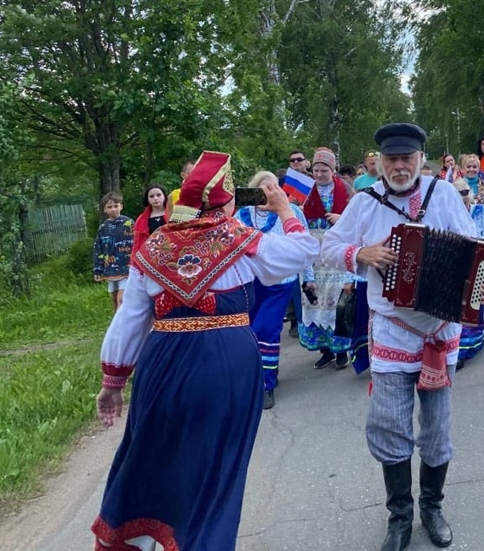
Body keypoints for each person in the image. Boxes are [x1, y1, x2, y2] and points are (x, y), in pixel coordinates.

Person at [92, 151, 319, 551]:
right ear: (226, 201)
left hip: (162, 366)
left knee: (151, 460)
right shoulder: (240, 239)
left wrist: (113, 383)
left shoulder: (153, 247)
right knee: (217, 473)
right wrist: (285, 210)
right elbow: (301, 252)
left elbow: (129, 320)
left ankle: (141, 539)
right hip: (226, 368)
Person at [320, 123, 484, 551]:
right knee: (389, 424)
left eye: (407, 158)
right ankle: (399, 516)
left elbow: (475, 249)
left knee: (436, 427)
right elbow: (327, 247)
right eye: (392, 159)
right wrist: (360, 253)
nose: (399, 166)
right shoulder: (364, 202)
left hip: (439, 332)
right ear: (380, 162)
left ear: (422, 159)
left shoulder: (444, 195)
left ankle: (432, 508)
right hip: (391, 330)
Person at [237, 170, 315, 410]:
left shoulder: (291, 213)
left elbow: (305, 247)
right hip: (250, 283)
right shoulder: (242, 214)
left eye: (274, 189)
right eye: (264, 190)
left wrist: (308, 279)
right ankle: (260, 373)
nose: (269, 194)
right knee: (250, 331)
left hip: (280, 283)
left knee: (267, 329)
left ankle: (266, 386)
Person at [300, 147, 359, 371]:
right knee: (314, 300)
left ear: (332, 169)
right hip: (313, 255)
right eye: (315, 170)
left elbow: (357, 221)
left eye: (323, 170)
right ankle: (325, 351)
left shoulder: (346, 191)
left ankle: (341, 351)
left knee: (336, 302)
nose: (319, 174)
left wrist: (341, 218)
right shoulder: (304, 191)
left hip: (335, 252)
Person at [452, 176, 484, 368]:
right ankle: (456, 346)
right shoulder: (448, 212)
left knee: (472, 303)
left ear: (470, 194)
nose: (462, 197)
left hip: (477, 260)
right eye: (457, 194)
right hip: (453, 264)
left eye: (464, 193)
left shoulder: (480, 212)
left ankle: (470, 344)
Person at [93, 192, 134, 311]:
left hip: (127, 267)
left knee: (122, 299)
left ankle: (123, 324)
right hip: (110, 268)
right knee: (114, 298)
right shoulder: (103, 228)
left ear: (121, 206)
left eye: (116, 206)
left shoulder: (130, 224)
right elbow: (98, 248)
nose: (113, 209)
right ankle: (117, 322)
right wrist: (98, 269)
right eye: (109, 207)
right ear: (105, 209)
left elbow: (138, 243)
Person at [132, 184, 169, 255]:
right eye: (151, 196)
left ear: (164, 196)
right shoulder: (141, 219)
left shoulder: (173, 214)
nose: (155, 198)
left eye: (158, 195)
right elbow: (137, 242)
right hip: (149, 254)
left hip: (171, 252)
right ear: (148, 200)